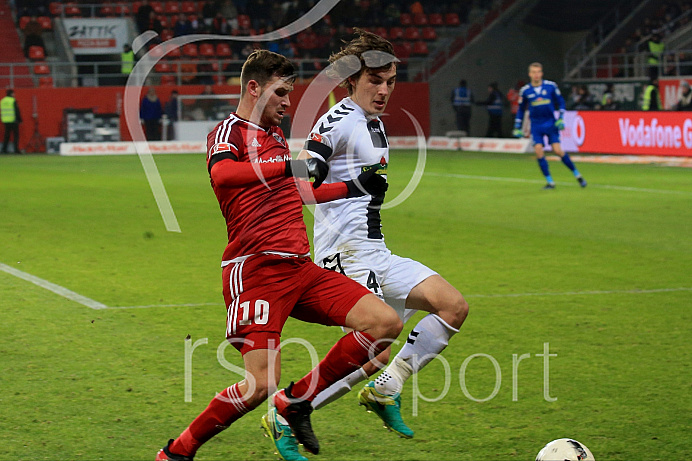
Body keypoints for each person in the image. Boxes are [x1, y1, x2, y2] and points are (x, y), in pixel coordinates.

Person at [155, 49, 401, 461]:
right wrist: (289, 165)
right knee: (260, 384)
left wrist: (353, 187)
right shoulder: (228, 133)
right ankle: (177, 452)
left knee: (383, 324)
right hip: (255, 271)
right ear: (254, 87)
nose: (289, 103)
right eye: (282, 93)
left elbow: (298, 189)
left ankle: (296, 403)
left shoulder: (273, 140)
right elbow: (224, 174)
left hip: (300, 269)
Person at [261, 29, 469, 461]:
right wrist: (337, 183)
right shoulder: (336, 122)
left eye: (390, 81)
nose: (384, 89)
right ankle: (286, 411)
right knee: (371, 352)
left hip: (375, 250)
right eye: (375, 80)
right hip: (344, 255)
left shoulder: (370, 120)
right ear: (351, 80)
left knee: (452, 306)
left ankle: (385, 392)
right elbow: (304, 182)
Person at [513, 62, 587, 189]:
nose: (536, 75)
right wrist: (517, 125)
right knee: (539, 152)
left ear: (541, 73)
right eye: (534, 72)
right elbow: (521, 109)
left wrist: (561, 118)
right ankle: (550, 181)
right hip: (536, 125)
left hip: (550, 123)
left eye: (538, 72)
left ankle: (577, 174)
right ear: (530, 74)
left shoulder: (551, 86)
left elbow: (561, 102)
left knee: (558, 151)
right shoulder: (525, 91)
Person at [1, 89, 22, 154]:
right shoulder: (12, 100)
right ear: (11, 94)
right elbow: (16, 111)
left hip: (5, 120)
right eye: (13, 93)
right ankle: (16, 150)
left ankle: (4, 149)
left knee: (6, 135)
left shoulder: (2, 101)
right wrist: (20, 119)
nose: (14, 95)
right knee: (16, 135)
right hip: (13, 120)